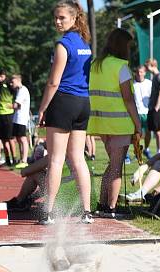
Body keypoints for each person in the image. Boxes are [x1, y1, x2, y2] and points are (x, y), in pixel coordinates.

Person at [36, 0, 93, 225]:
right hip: (82, 103)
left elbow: (53, 82)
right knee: (78, 159)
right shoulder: (85, 44)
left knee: (57, 159)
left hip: (63, 102)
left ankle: (49, 212)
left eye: (62, 18)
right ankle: (87, 211)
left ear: (73, 18)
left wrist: (42, 109)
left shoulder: (63, 45)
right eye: (56, 18)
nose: (58, 22)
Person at [87, 28, 142, 219]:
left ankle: (102, 203)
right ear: (122, 46)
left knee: (112, 165)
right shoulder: (121, 67)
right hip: (119, 123)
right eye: (128, 45)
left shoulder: (95, 65)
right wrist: (138, 124)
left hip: (101, 122)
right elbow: (128, 99)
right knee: (117, 167)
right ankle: (111, 207)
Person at [0, 69, 15, 167]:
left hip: (8, 114)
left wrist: (13, 105)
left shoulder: (10, 85)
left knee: (10, 139)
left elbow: (16, 96)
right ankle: (7, 159)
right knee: (3, 139)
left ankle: (14, 159)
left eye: (1, 76)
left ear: (5, 76)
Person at [145, 57, 160, 155]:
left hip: (158, 108)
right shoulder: (154, 77)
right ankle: (158, 151)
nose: (146, 68)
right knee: (153, 129)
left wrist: (157, 107)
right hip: (153, 107)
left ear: (152, 65)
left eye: (147, 66)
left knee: (159, 130)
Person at [11, 73, 31, 169]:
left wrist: (6, 105)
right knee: (19, 139)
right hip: (17, 118)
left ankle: (24, 160)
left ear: (18, 80)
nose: (11, 83)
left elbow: (16, 105)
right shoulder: (19, 90)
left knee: (22, 139)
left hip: (21, 118)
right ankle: (21, 159)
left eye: (13, 81)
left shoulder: (23, 90)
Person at [132, 65, 151, 155]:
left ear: (145, 73)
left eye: (141, 72)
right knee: (136, 134)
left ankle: (146, 149)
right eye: (138, 72)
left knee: (148, 132)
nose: (140, 74)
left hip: (147, 112)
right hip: (136, 113)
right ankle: (137, 151)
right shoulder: (132, 84)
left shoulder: (149, 83)